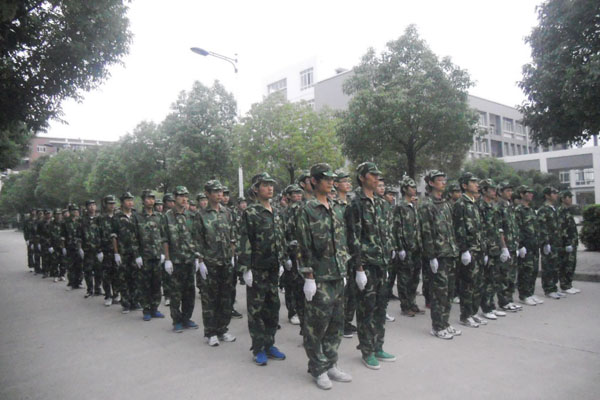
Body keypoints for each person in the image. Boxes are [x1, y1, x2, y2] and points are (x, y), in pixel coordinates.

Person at [297, 163, 352, 390]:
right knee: (316, 326)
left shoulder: (337, 207)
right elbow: (303, 244)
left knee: (336, 324)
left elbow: (342, 240)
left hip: (337, 274)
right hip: (319, 277)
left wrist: (344, 268)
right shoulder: (307, 209)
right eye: (326, 179)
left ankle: (331, 363)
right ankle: (317, 368)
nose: (331, 182)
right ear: (314, 181)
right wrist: (308, 276)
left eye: (332, 179)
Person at [345, 162, 395, 369]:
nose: (377, 179)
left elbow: (387, 232)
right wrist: (358, 268)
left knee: (381, 307)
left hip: (382, 263)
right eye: (373, 175)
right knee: (366, 309)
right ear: (362, 177)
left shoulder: (382, 204)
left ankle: (378, 345)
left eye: (378, 175)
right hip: (366, 265)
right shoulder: (355, 204)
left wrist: (390, 253)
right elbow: (353, 238)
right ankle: (367, 350)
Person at [237, 172, 287, 365]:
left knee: (272, 308)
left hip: (273, 268)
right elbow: (245, 240)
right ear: (256, 189)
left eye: (271, 184)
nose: (270, 188)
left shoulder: (276, 211)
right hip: (257, 269)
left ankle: (269, 343)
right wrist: (246, 268)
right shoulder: (251, 212)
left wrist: (282, 260)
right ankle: (258, 348)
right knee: (257, 310)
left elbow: (280, 238)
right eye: (265, 185)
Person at [193, 180, 237, 345]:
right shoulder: (201, 215)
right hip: (210, 262)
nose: (219, 194)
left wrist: (232, 255)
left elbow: (232, 236)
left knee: (225, 298)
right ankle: (210, 332)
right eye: (215, 191)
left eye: (221, 192)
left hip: (226, 261)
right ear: (207, 194)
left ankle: (222, 329)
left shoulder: (227, 212)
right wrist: (200, 261)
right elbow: (197, 240)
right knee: (210, 298)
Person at [419, 170, 461, 340]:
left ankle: (445, 322)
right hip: (438, 254)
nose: (443, 182)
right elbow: (426, 232)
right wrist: (431, 256)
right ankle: (437, 326)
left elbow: (451, 229)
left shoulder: (446, 204)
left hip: (450, 253)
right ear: (431, 183)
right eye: (439, 180)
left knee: (449, 291)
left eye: (444, 180)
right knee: (439, 292)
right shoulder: (426, 205)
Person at [162, 186, 201, 332]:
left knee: (189, 292)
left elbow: (196, 238)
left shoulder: (192, 216)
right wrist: (167, 259)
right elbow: (165, 239)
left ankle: (186, 318)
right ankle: (176, 320)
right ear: (174, 197)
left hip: (189, 260)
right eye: (181, 196)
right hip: (175, 261)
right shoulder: (167, 216)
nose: (184, 199)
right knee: (175, 293)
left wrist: (198, 258)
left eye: (186, 196)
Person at [453, 172, 486, 328]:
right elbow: (459, 229)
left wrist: (484, 249)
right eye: (473, 182)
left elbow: (480, 228)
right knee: (468, 284)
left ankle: (473, 312)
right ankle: (465, 315)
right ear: (464, 185)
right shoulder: (460, 204)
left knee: (478, 283)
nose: (476, 185)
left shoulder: (475, 203)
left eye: (476, 182)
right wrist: (464, 250)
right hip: (469, 250)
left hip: (478, 249)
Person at [392, 175, 424, 317]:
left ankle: (412, 303)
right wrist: (400, 248)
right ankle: (405, 306)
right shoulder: (400, 207)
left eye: (415, 187)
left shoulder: (412, 206)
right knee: (404, 278)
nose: (414, 189)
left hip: (416, 246)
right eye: (412, 187)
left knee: (415, 278)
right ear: (405, 189)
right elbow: (397, 227)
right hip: (406, 247)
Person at [134, 190, 166, 321]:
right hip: (144, 256)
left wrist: (163, 253)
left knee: (156, 283)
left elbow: (163, 235)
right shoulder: (137, 217)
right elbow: (134, 237)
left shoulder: (159, 216)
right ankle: (146, 309)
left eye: (153, 198)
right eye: (148, 198)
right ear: (143, 200)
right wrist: (137, 255)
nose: (151, 201)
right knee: (145, 283)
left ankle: (155, 308)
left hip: (157, 255)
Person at [477, 179, 506, 320]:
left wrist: (503, 247)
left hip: (495, 247)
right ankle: (486, 307)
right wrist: (484, 250)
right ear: (484, 190)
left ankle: (492, 306)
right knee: (486, 279)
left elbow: (498, 228)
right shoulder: (479, 206)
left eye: (495, 189)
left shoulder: (493, 206)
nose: (494, 191)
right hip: (486, 248)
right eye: (491, 189)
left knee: (494, 278)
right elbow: (480, 230)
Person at [280, 184, 305, 328]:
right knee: (291, 284)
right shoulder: (284, 213)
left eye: (299, 193)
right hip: (290, 253)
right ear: (288, 196)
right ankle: (292, 312)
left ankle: (301, 310)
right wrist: (285, 257)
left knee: (301, 283)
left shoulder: (303, 210)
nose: (298, 195)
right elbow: (281, 235)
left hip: (302, 253)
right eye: (294, 193)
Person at [495, 182, 522, 312]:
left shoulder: (510, 206)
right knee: (504, 276)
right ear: (500, 192)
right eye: (507, 191)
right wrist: (503, 247)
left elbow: (514, 227)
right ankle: (504, 301)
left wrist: (517, 244)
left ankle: (510, 300)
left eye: (511, 190)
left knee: (511, 276)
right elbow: (499, 229)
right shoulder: (499, 207)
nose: (510, 193)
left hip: (513, 245)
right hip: (505, 246)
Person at [113, 192, 141, 313]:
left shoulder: (136, 216)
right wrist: (116, 253)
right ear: (122, 202)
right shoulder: (117, 217)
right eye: (127, 200)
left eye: (131, 200)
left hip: (135, 252)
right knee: (124, 277)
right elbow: (114, 236)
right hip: (123, 252)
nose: (130, 202)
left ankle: (135, 301)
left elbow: (139, 234)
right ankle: (126, 303)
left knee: (135, 277)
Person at [538, 187, 563, 299]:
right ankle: (548, 289)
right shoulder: (543, 209)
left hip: (556, 242)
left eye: (556, 193)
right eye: (553, 193)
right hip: (548, 242)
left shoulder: (554, 209)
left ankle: (554, 287)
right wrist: (545, 242)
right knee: (548, 266)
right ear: (547, 195)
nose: (556, 195)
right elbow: (542, 226)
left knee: (555, 266)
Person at [98, 195, 119, 306]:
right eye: (110, 203)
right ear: (105, 205)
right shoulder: (100, 218)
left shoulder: (118, 217)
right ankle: (108, 295)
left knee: (117, 273)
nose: (112, 205)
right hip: (105, 250)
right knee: (106, 274)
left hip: (117, 250)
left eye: (113, 203)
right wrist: (99, 250)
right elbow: (97, 235)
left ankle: (116, 294)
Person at [557, 190, 580, 294]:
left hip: (572, 242)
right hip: (566, 243)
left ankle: (569, 284)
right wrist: (567, 243)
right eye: (568, 197)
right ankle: (565, 285)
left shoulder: (567, 210)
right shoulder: (561, 211)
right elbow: (562, 228)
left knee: (571, 264)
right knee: (566, 264)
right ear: (563, 199)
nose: (571, 199)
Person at [79, 200, 103, 298]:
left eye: (93, 205)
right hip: (87, 250)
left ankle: (98, 288)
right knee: (88, 270)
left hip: (98, 249)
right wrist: (80, 248)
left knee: (99, 270)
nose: (92, 207)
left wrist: (102, 249)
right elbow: (79, 235)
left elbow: (103, 234)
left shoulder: (100, 219)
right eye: (90, 205)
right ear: (86, 207)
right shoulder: (82, 220)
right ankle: (89, 289)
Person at [63, 204, 83, 290]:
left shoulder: (80, 221)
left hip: (79, 246)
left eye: (76, 210)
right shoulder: (65, 222)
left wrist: (81, 247)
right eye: (73, 210)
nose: (75, 212)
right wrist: (63, 247)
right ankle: (71, 283)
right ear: (70, 211)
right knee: (71, 266)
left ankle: (79, 282)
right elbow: (62, 236)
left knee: (80, 265)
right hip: (69, 247)